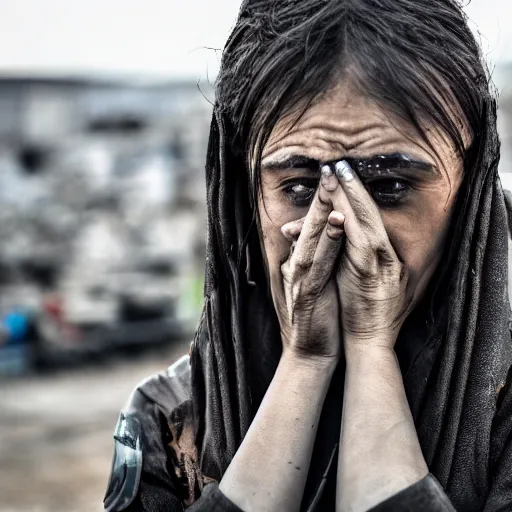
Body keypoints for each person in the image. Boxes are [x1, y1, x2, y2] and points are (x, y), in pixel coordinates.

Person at [104, 0, 512, 510]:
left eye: (388, 185)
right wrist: (306, 359)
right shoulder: (173, 416)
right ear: (244, 194)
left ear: (469, 194)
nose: (342, 225)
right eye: (299, 186)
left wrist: (369, 349)